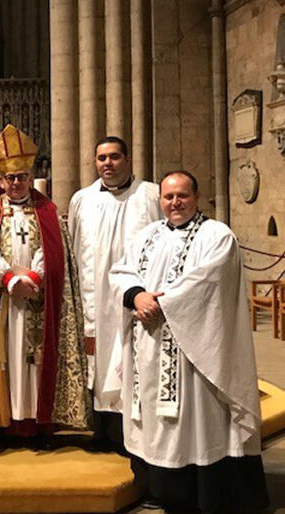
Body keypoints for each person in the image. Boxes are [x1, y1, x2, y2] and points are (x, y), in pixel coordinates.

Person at [109, 171, 269, 513]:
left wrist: (160, 304)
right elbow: (121, 272)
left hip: (195, 351)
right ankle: (162, 489)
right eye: (168, 197)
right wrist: (136, 296)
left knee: (197, 421)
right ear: (160, 201)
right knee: (155, 422)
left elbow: (207, 282)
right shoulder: (147, 236)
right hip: (150, 345)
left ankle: (202, 493)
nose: (175, 203)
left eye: (182, 195)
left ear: (196, 197)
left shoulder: (217, 236)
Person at [0, 125, 89, 441]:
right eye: (10, 178)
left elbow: (54, 253)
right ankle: (8, 422)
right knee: (8, 360)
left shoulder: (47, 211)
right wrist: (10, 279)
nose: (15, 183)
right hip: (5, 304)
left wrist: (35, 278)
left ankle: (40, 423)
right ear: (1, 180)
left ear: (30, 177)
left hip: (39, 298)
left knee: (36, 361)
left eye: (22, 177)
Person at [67, 136, 161, 450]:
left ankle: (131, 431)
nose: (107, 163)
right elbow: (73, 245)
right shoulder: (82, 199)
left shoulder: (150, 195)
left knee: (131, 358)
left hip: (134, 299)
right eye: (102, 158)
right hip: (94, 300)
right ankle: (98, 427)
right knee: (96, 361)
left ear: (128, 159)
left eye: (114, 157)